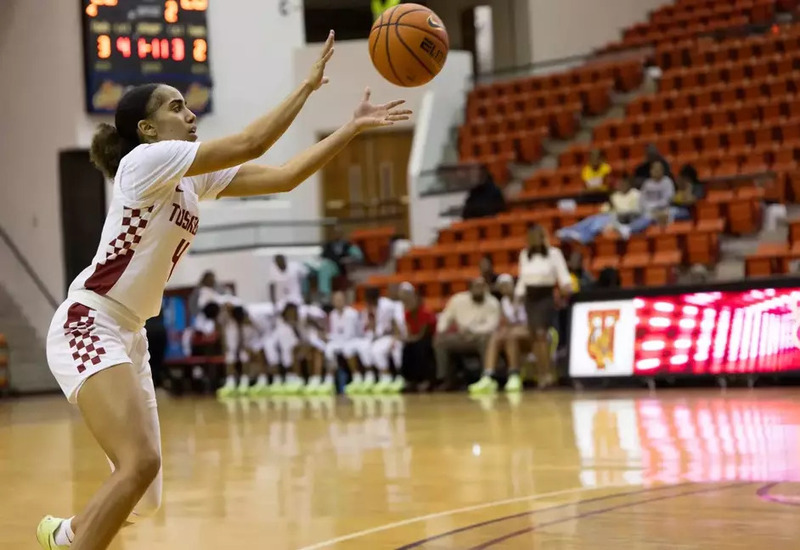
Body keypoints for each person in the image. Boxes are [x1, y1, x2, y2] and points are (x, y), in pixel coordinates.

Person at [38, 30, 411, 550]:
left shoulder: (192, 178)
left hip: (131, 333)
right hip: (90, 321)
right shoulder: (142, 163)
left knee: (143, 495)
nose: (189, 114)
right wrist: (305, 88)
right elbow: (251, 143)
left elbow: (282, 176)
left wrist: (349, 128)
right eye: (175, 107)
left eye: (188, 105)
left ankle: (65, 535)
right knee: (139, 462)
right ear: (147, 129)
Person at [514, 224, 572, 389]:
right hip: (530, 297)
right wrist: (518, 297)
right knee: (534, 336)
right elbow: (522, 278)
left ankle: (548, 373)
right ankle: (541, 373)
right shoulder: (525, 255)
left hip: (545, 296)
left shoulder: (554, 254)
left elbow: (562, 274)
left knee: (541, 334)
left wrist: (566, 287)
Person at [433, 277, 500, 390]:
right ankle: (445, 379)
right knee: (439, 341)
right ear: (470, 289)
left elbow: (492, 325)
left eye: (481, 287)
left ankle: (486, 378)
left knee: (487, 340)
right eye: (476, 287)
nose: (479, 290)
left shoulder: (493, 302)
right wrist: (441, 330)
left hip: (480, 337)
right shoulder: (457, 300)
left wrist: (473, 331)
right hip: (461, 337)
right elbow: (445, 317)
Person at [469, 274, 529, 393]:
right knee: (496, 336)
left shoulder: (524, 297)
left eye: (507, 285)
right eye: (502, 286)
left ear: (513, 285)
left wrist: (512, 329)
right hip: (514, 333)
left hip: (530, 332)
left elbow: (532, 322)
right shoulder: (503, 302)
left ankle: (514, 375)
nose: (504, 288)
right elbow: (506, 324)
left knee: (510, 334)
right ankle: (488, 376)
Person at [345, 287, 406, 394]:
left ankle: (400, 377)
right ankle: (381, 378)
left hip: (394, 336)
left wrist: (395, 338)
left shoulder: (388, 306)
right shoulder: (368, 309)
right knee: (372, 349)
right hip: (380, 337)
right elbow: (370, 329)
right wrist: (370, 318)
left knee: (395, 350)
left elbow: (396, 323)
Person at [556, 175, 642, 244]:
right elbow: (604, 209)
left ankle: (583, 237)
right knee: (591, 219)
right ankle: (569, 230)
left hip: (622, 219)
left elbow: (634, 211)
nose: (621, 185)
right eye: (620, 184)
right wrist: (610, 207)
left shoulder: (635, 194)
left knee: (599, 221)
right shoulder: (615, 195)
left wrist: (616, 209)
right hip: (609, 216)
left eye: (623, 183)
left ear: (629, 184)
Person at [399, 286, 437, 392]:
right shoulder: (407, 314)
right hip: (416, 339)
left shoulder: (426, 312)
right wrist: (408, 339)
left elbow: (423, 333)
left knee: (421, 348)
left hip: (429, 338)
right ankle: (409, 379)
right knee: (406, 348)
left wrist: (412, 339)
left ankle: (426, 380)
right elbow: (410, 331)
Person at [323, 290, 361, 392]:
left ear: (345, 300)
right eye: (336, 300)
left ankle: (357, 378)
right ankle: (329, 381)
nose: (338, 302)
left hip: (352, 340)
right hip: (337, 341)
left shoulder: (352, 313)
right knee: (328, 349)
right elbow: (333, 332)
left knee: (348, 350)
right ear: (333, 301)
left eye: (340, 299)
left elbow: (354, 332)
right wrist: (328, 336)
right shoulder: (332, 314)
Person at [317, 227, 364, 300]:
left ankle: (325, 296)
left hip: (339, 267)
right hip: (328, 265)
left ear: (342, 234)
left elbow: (358, 256)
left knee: (325, 269)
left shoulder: (347, 245)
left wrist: (348, 259)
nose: (337, 234)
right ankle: (324, 295)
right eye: (335, 233)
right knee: (324, 267)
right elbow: (321, 256)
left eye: (339, 232)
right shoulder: (329, 245)